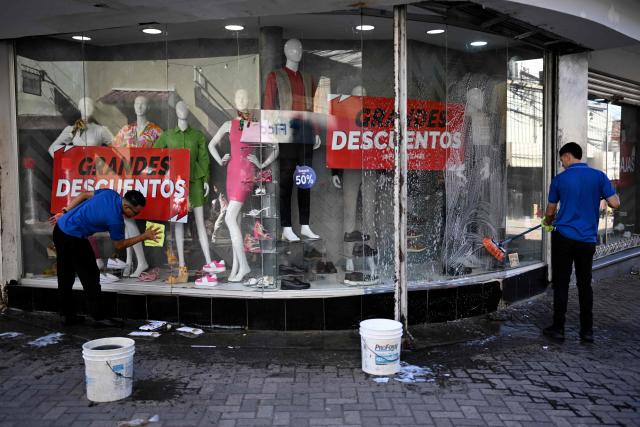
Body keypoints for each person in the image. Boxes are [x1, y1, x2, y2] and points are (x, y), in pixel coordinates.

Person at [541, 142, 620, 342]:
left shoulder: (560, 179)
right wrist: (600, 193)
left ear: (567, 156)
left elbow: (550, 210)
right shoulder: (598, 176)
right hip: (587, 239)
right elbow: (615, 203)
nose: (562, 164)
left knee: (561, 283)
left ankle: (558, 329)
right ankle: (587, 331)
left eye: (562, 160)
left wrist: (547, 223)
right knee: (585, 284)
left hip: (564, 237)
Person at [49, 189, 159, 326]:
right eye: (135, 213)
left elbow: (83, 194)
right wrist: (144, 236)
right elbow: (119, 245)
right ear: (126, 207)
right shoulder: (115, 219)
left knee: (65, 275)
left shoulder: (110, 194)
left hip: (60, 229)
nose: (135, 216)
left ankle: (66, 315)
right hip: (73, 237)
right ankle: (99, 317)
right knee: (91, 276)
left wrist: (65, 212)